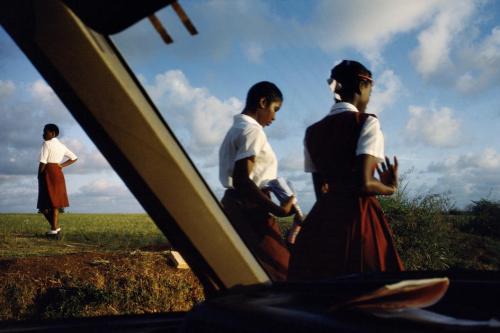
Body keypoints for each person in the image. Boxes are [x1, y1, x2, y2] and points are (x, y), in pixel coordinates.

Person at [288, 60, 404, 280]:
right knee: (370, 284)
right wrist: (389, 187)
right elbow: (365, 183)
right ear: (362, 85)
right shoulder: (367, 123)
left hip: (324, 219)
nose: (370, 97)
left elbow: (319, 190)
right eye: (370, 90)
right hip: (359, 218)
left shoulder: (312, 132)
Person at [219, 81, 295, 281]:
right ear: (262, 102)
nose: (275, 117)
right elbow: (243, 180)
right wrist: (278, 210)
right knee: (280, 270)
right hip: (252, 207)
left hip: (234, 204)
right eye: (274, 109)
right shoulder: (253, 131)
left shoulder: (235, 129)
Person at [37, 123, 78, 236]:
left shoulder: (46, 143)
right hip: (58, 173)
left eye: (45, 131)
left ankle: (55, 229)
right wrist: (61, 166)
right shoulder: (62, 146)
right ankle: (54, 229)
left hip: (47, 172)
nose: (43, 134)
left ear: (53, 133)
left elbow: (43, 161)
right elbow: (74, 158)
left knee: (43, 205)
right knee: (55, 204)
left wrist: (39, 174)